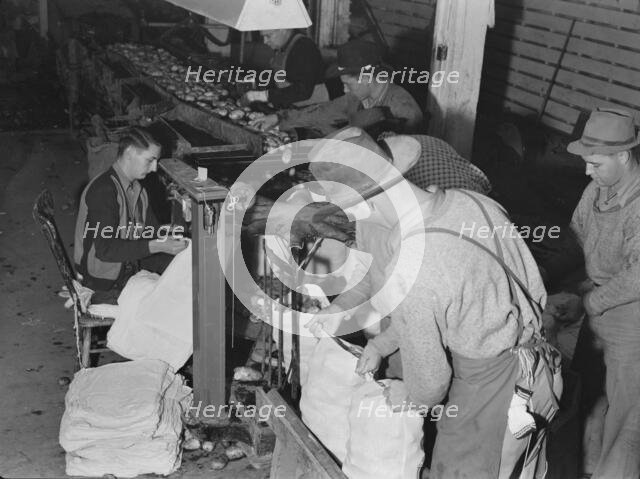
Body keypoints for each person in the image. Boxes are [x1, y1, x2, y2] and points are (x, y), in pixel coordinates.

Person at [305, 127, 562, 478]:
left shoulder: (412, 265)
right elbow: (453, 302)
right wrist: (382, 343)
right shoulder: (472, 202)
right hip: (537, 369)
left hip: (490, 387)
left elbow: (431, 381)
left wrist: (411, 397)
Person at [568, 108, 640, 478]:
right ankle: (587, 468)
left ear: (623, 157)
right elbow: (579, 233)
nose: (587, 170)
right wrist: (580, 286)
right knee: (588, 393)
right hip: (598, 308)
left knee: (625, 418)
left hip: (631, 320)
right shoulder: (596, 188)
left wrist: (594, 300)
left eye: (595, 163)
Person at [74, 127, 187, 304]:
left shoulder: (137, 189)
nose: (154, 168)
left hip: (126, 265)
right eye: (150, 160)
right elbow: (106, 250)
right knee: (173, 300)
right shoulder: (104, 191)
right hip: (104, 282)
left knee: (186, 270)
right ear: (129, 153)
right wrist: (157, 246)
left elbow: (151, 230)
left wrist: (176, 235)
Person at [250, 39, 424, 137]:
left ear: (365, 77)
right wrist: (278, 118)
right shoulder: (357, 97)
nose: (345, 90)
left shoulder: (403, 110)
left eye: (348, 84)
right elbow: (321, 112)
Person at [241, 28, 329, 108]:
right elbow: (281, 77)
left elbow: (303, 91)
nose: (265, 41)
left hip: (312, 110)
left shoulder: (304, 47)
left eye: (268, 36)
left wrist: (261, 96)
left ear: (284, 29)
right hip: (291, 108)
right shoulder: (283, 47)